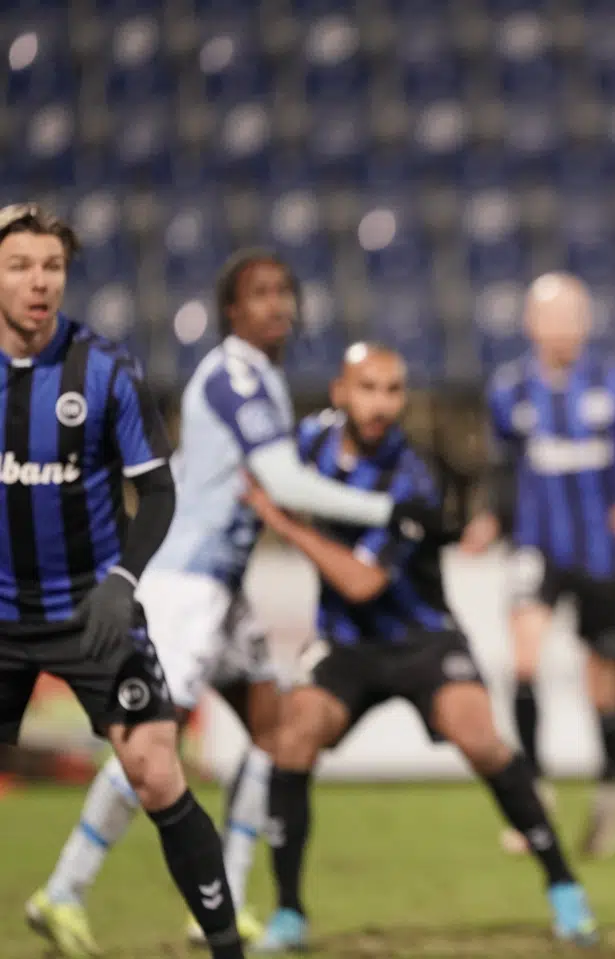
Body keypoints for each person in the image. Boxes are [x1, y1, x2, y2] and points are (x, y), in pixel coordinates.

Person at [27, 249, 445, 954]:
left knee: (276, 735)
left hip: (222, 589)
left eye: (284, 291)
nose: (277, 304)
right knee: (151, 749)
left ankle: (218, 902)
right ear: (232, 310)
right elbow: (284, 480)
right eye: (259, 294)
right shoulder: (233, 377)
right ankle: (63, 889)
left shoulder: (260, 381)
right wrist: (387, 508)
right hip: (186, 587)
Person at [248, 342, 599, 952]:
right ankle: (288, 912)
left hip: (422, 638)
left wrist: (280, 522)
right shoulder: (307, 444)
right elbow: (253, 470)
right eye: (368, 388)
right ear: (340, 392)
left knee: (480, 738)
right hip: (346, 645)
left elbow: (361, 582)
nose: (381, 403)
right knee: (293, 736)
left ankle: (565, 888)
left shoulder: (414, 478)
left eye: (393, 390)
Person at [0, 203, 249, 959]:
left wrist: (121, 578)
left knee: (155, 768)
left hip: (92, 610)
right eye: (20, 266)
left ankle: (227, 948)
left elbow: (160, 491)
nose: (39, 283)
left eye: (53, 267)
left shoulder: (105, 369)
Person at [467, 272, 615, 858]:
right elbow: (504, 470)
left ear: (586, 324)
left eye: (571, 317)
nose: (561, 329)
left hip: (602, 556)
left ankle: (609, 788)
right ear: (532, 325)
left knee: (602, 685)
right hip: (537, 548)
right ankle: (532, 790)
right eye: (550, 318)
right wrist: (491, 517)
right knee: (526, 655)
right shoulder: (509, 391)